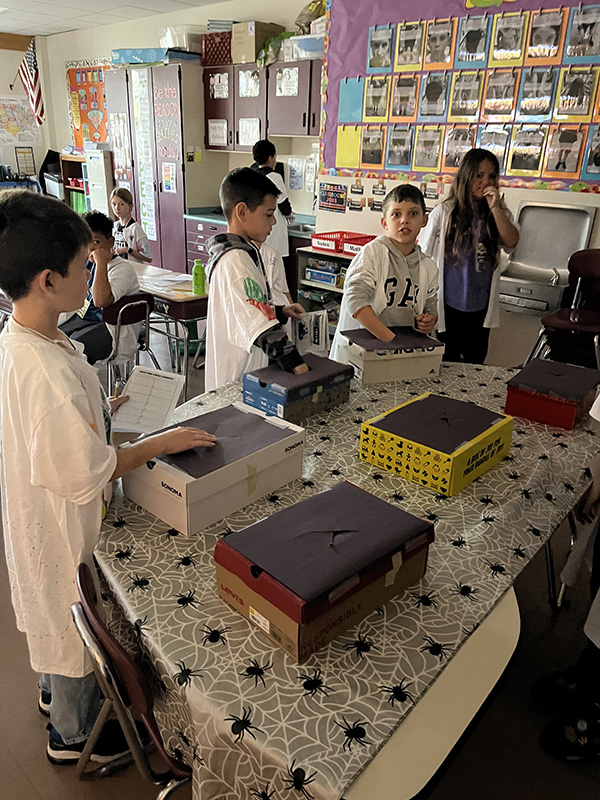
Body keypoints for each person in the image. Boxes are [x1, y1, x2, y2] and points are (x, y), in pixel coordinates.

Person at [0, 190, 216, 764]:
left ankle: (52, 698)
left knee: (54, 620)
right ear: (49, 279)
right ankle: (72, 739)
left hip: (42, 510)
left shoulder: (27, 334)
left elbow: (63, 428)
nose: (95, 268)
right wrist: (160, 443)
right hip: (59, 523)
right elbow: (87, 469)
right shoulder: (42, 370)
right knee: (73, 627)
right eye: (85, 264)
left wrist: (103, 410)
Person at [204, 167, 307, 391]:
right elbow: (263, 332)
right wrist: (299, 367)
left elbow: (242, 311)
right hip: (235, 381)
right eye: (269, 214)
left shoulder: (245, 253)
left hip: (246, 374)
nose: (274, 222)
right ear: (242, 212)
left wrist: (279, 312)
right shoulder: (236, 261)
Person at [418, 148, 519, 365]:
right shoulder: (445, 212)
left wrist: (495, 208)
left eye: (491, 176)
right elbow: (423, 254)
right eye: (479, 175)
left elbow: (512, 242)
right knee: (446, 362)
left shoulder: (498, 215)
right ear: (466, 176)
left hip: (480, 308)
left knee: (475, 362)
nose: (485, 182)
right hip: (449, 306)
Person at [330, 184, 438, 362]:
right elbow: (355, 300)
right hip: (367, 348)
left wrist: (429, 320)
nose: (404, 220)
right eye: (396, 214)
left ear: (424, 220)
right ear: (385, 222)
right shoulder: (373, 254)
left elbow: (431, 306)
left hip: (403, 352)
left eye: (413, 213)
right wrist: (389, 340)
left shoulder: (428, 266)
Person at [59, 211, 141, 371]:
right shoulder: (82, 263)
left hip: (110, 329)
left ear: (110, 242)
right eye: (85, 242)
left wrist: (101, 263)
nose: (91, 248)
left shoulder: (122, 269)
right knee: (50, 343)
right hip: (81, 319)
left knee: (72, 353)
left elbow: (101, 301)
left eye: (96, 242)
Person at [250, 139, 292, 259]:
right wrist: (289, 214)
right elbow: (284, 204)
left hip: (256, 228)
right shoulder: (275, 177)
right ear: (270, 158)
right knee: (275, 266)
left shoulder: (251, 175)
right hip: (274, 232)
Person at [110, 187, 152, 265]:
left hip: (135, 270)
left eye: (121, 204)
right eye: (114, 204)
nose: (117, 208)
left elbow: (148, 257)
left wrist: (128, 250)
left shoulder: (135, 229)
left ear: (130, 206)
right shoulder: (114, 227)